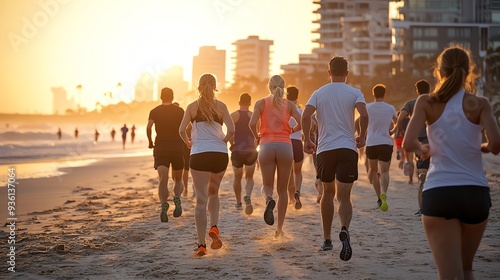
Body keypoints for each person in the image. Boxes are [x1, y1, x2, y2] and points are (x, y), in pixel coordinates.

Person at [403, 46, 500, 280]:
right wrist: (482, 147)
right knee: (466, 270)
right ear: (469, 72)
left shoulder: (426, 102)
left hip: (440, 192)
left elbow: (408, 142)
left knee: (449, 275)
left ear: (439, 71)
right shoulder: (480, 104)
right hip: (475, 194)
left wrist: (422, 148)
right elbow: (496, 145)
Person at [302, 56, 368, 261]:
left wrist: (307, 140)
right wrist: (362, 136)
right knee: (345, 196)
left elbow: (305, 116)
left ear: (329, 72)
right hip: (348, 148)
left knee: (328, 192)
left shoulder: (318, 93)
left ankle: (327, 239)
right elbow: (364, 115)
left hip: (325, 149)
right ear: (347, 73)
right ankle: (345, 229)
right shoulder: (355, 92)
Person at [179, 73, 235, 257]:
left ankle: (201, 245)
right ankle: (214, 227)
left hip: (199, 154)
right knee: (214, 193)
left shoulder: (192, 107)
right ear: (215, 86)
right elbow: (232, 129)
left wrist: (188, 141)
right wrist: (224, 142)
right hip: (219, 154)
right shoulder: (221, 106)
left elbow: (180, 130)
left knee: (201, 201)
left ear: (199, 87)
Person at [249, 75, 302, 239]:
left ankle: (268, 199)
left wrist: (257, 136)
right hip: (286, 146)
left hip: (266, 145)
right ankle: (279, 230)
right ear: (284, 87)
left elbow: (251, 123)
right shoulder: (290, 105)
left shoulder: (261, 103)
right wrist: (292, 131)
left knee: (267, 185)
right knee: (284, 190)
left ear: (269, 87)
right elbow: (304, 123)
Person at [147, 87, 185, 223]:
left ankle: (164, 204)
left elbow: (149, 127)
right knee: (178, 179)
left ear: (161, 97)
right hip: (176, 147)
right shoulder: (180, 111)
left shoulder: (155, 111)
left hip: (161, 147)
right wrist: (186, 140)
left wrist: (150, 141)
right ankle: (177, 197)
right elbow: (187, 127)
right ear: (172, 97)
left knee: (163, 179)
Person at [394, 79, 432, 215]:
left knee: (421, 170)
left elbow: (401, 117)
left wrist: (399, 129)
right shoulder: (435, 101)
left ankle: (422, 207)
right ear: (429, 90)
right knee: (433, 168)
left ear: (417, 90)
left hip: (418, 141)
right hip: (433, 139)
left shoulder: (411, 103)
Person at [365, 84, 397, 212]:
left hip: (371, 142)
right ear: (384, 94)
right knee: (384, 172)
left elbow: (359, 121)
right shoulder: (390, 108)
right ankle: (384, 192)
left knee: (373, 171)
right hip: (385, 142)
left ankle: (378, 198)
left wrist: (362, 134)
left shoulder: (367, 107)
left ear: (373, 94)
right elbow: (397, 123)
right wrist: (392, 131)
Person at [230, 93, 258, 214]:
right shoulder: (253, 116)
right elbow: (257, 133)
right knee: (249, 177)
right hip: (251, 150)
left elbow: (231, 131)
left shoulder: (233, 115)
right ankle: (247, 195)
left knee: (237, 177)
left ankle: (238, 203)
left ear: (239, 102)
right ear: (250, 103)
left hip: (237, 150)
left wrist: (231, 143)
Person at [286, 85, 305, 210]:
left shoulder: (283, 111)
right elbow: (312, 125)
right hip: (298, 143)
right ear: (297, 96)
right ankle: (297, 192)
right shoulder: (301, 111)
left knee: (288, 174)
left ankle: (291, 198)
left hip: (286, 143)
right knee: (297, 172)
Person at [173, 102, 193, 197]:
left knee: (183, 169)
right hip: (186, 144)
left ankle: (183, 188)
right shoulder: (184, 117)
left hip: (181, 145)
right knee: (186, 168)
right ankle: (185, 188)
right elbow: (190, 128)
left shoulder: (171, 120)